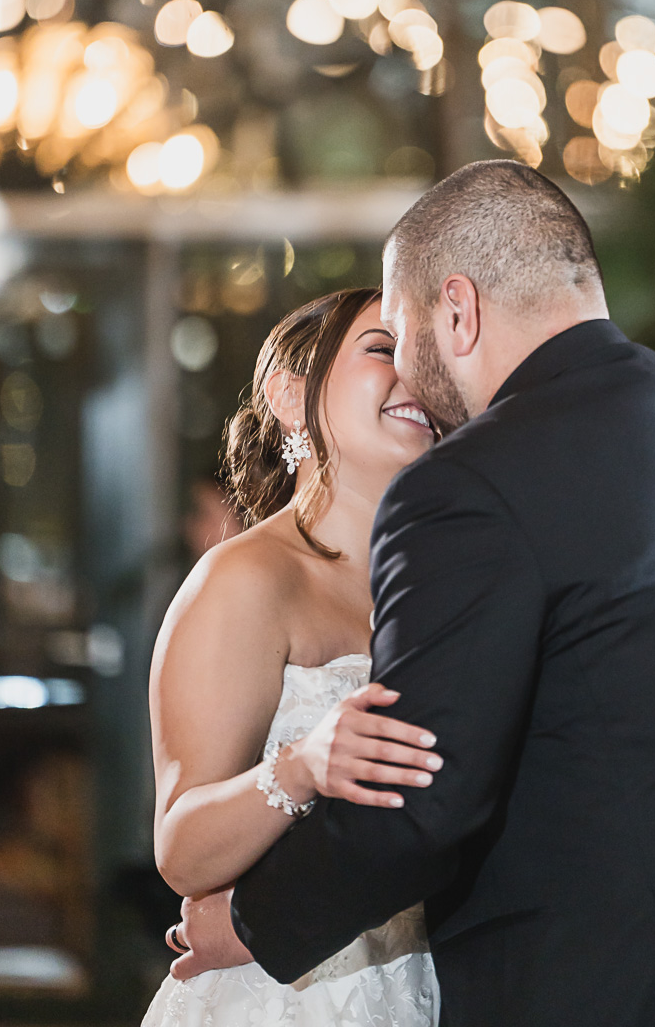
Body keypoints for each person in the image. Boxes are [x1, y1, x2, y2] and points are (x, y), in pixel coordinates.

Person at [174, 161, 655, 1027]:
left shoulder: (475, 482)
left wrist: (253, 922)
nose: (411, 383)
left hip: (626, 987)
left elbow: (428, 792)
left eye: (405, 334)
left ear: (458, 311)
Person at [143, 287, 443, 1027]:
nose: (418, 378)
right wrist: (302, 766)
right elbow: (182, 850)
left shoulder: (448, 586)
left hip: (429, 986)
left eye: (432, 362)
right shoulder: (247, 579)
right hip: (286, 1000)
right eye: (384, 350)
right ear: (290, 393)